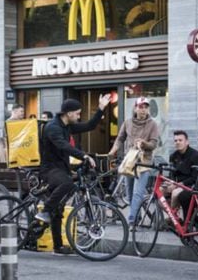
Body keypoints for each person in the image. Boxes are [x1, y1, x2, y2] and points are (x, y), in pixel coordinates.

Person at [35, 95, 111, 255]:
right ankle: (45, 211)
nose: (79, 116)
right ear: (68, 113)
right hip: (49, 170)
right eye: (77, 113)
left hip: (61, 168)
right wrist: (83, 156)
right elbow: (63, 146)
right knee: (67, 184)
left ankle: (58, 246)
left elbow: (90, 125)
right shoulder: (53, 127)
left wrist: (101, 108)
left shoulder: (67, 126)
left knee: (59, 207)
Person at [108, 96, 159, 226]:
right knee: (130, 194)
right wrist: (113, 150)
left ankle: (131, 221)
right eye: (140, 107)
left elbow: (153, 144)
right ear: (135, 108)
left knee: (138, 193)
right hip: (129, 162)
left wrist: (144, 144)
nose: (143, 110)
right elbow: (120, 139)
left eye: (146, 107)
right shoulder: (127, 122)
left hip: (144, 163)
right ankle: (136, 218)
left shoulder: (153, 124)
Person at [166, 130, 198, 216]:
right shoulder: (173, 156)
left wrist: (178, 184)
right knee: (159, 191)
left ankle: (172, 218)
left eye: (180, 140)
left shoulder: (196, 156)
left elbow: (195, 177)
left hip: (191, 184)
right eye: (175, 141)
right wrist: (171, 182)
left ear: (187, 142)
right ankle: (174, 217)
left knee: (175, 194)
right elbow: (172, 173)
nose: (177, 142)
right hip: (178, 184)